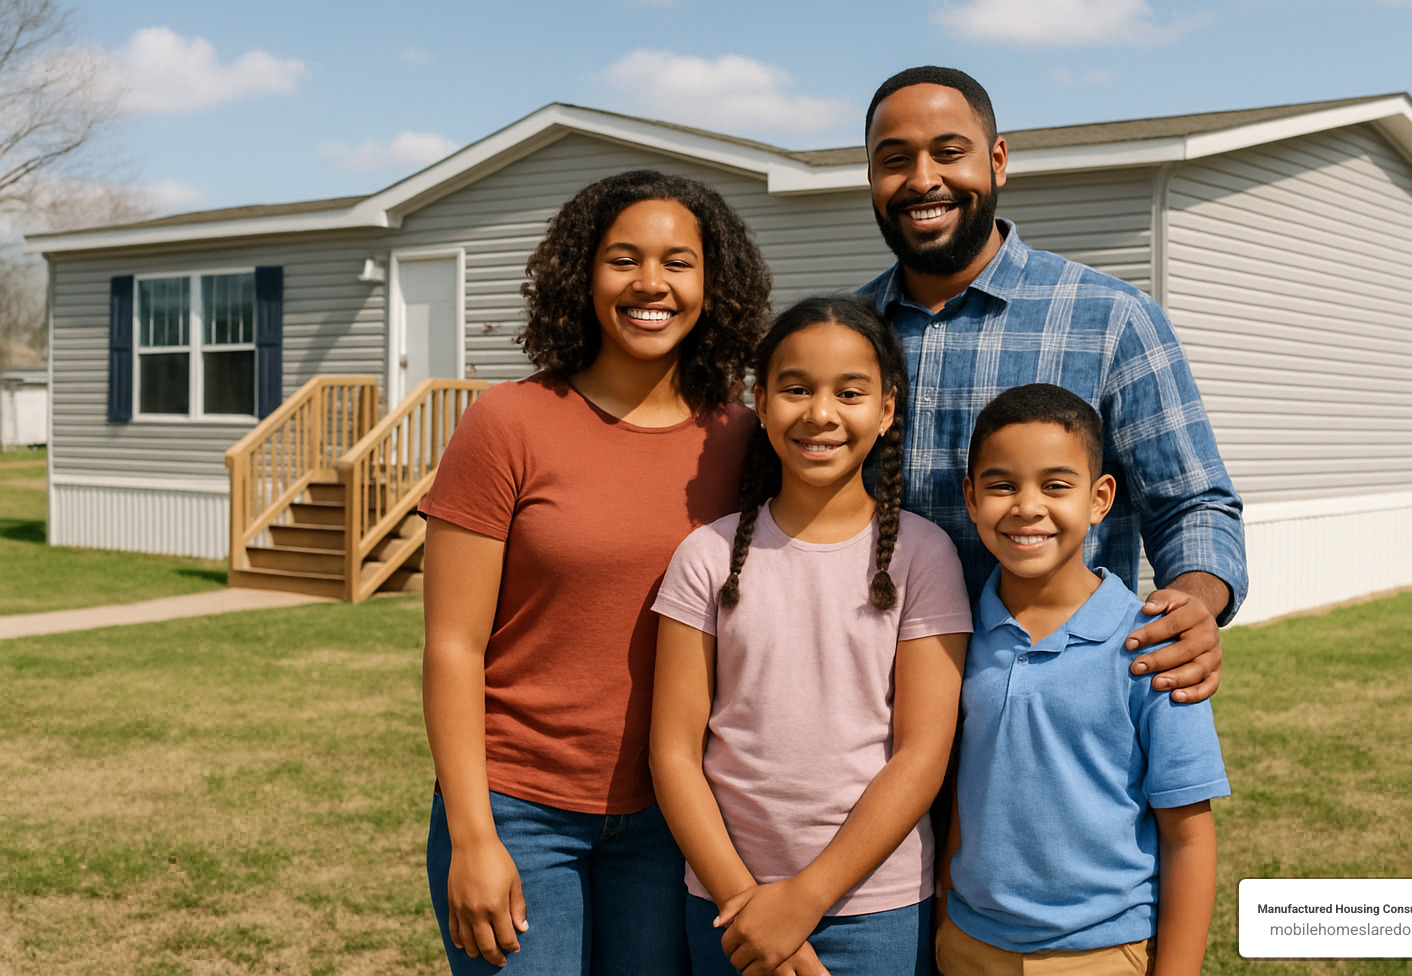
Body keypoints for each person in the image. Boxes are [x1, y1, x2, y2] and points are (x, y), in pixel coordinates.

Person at [418, 169, 772, 975]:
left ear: (713, 283)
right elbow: (452, 647)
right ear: (582, 276)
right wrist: (474, 835)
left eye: (679, 262)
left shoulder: (749, 439)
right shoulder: (507, 423)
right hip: (518, 810)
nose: (652, 283)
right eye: (624, 259)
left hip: (674, 819)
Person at [857, 66, 1248, 702]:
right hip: (871, 709)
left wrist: (1196, 602)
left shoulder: (1112, 319)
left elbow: (1192, 503)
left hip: (1054, 704)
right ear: (872, 179)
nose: (923, 179)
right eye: (894, 160)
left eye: (949, 153)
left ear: (998, 160)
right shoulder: (843, 340)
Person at [649, 296, 972, 976]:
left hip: (875, 908)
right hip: (727, 908)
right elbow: (674, 752)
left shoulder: (924, 555)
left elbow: (922, 753)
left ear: (886, 411)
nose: (820, 413)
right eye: (796, 389)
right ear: (760, 403)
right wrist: (750, 905)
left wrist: (806, 900)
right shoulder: (704, 557)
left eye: (849, 393)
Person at [937, 384, 1229, 976]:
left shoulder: (1153, 647)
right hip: (968, 944)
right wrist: (946, 910)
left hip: (1099, 953)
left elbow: (1189, 838)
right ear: (970, 499)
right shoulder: (958, 636)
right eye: (1001, 485)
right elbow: (971, 786)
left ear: (1099, 498)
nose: (1027, 506)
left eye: (1055, 485)